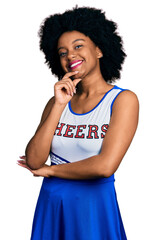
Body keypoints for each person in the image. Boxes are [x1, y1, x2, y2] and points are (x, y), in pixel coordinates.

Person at [17, 6, 139, 240]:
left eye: (78, 46)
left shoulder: (123, 100)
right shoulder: (56, 101)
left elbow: (105, 166)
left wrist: (51, 170)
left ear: (100, 50)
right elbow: (34, 160)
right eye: (62, 52)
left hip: (93, 208)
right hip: (52, 205)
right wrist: (60, 105)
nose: (70, 55)